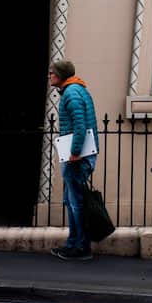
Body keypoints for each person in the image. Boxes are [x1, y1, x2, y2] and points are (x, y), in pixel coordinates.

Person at [49, 60, 99, 261]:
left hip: (76, 157)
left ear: (60, 75)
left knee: (76, 202)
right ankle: (73, 243)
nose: (50, 75)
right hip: (77, 155)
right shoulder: (76, 91)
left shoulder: (71, 93)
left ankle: (81, 247)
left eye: (52, 73)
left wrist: (75, 152)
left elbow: (80, 125)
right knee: (72, 201)